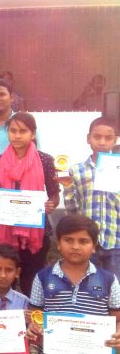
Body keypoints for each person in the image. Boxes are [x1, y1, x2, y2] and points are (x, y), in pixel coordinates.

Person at [0, 112, 59, 293]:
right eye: (13, 131)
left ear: (32, 134)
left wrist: (51, 204)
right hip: (4, 229)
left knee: (31, 281)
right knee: (3, 280)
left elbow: (54, 194)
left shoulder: (45, 160)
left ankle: (30, 317)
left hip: (34, 230)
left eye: (23, 131)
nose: (17, 135)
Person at [27, 215, 120, 350]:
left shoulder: (109, 280)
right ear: (58, 243)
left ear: (94, 246)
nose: (75, 246)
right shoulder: (42, 277)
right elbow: (35, 314)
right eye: (68, 240)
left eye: (83, 241)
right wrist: (33, 326)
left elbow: (118, 318)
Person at [61, 117, 120, 279]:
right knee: (86, 286)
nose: (102, 142)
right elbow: (72, 209)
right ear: (88, 139)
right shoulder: (77, 170)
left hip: (115, 239)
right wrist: (67, 186)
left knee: (115, 289)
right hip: (85, 241)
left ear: (115, 140)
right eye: (97, 137)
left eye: (108, 138)